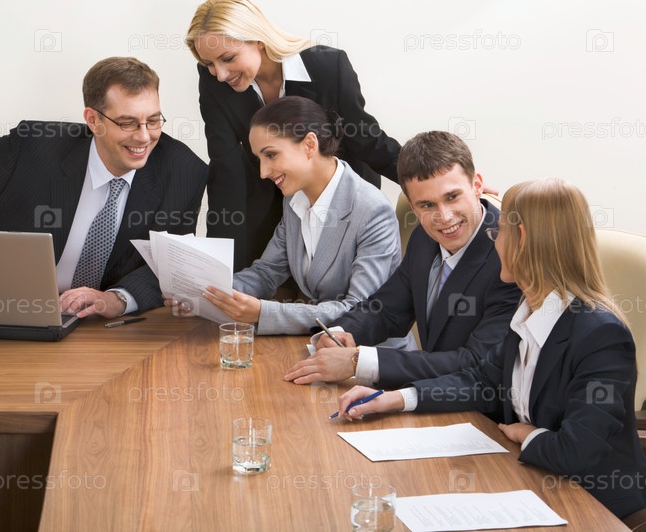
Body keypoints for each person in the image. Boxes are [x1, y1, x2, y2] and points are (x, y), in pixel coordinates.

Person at [336, 178, 646, 520]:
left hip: (592, 507)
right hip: (533, 484)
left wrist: (528, 434)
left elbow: (576, 452)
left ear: (521, 238)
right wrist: (394, 398)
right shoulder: (527, 312)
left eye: (498, 232)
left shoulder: (601, 336)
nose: (494, 241)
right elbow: (480, 382)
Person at [0, 57, 208, 319]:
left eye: (153, 120)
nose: (144, 136)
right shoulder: (32, 148)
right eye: (128, 123)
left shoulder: (184, 171)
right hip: (4, 312)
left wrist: (117, 299)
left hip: (106, 330)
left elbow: (170, 263)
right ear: (93, 120)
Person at [284, 131, 520, 387]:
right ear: (412, 204)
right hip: (431, 395)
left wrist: (358, 361)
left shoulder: (512, 254)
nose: (444, 217)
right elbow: (387, 309)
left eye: (452, 197)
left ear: (477, 185)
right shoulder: (424, 238)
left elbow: (477, 362)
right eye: (427, 205)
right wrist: (342, 333)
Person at [166, 96, 411, 342]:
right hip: (320, 343)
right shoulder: (295, 200)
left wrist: (263, 312)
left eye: (271, 155)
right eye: (259, 159)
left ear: (309, 145)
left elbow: (358, 311)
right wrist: (205, 293)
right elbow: (266, 272)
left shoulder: (372, 211)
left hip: (369, 352)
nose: (263, 172)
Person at [185, 0, 400, 270]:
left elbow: (365, 139)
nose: (220, 74)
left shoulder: (327, 66)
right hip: (270, 197)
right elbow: (225, 166)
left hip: (334, 199)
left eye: (228, 59)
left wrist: (427, 178)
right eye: (209, 63)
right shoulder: (212, 80)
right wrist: (217, 260)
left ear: (258, 40)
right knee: (250, 275)